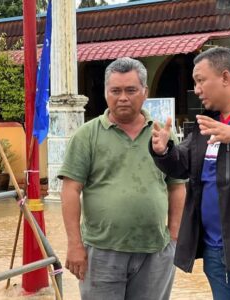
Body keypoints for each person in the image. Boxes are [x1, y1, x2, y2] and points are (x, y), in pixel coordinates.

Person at [150, 47, 230, 299]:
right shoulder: (206, 122)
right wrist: (164, 149)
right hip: (214, 250)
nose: (196, 89)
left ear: (225, 77)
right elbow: (181, 164)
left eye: (200, 80)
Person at [58, 57, 186, 299]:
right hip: (102, 251)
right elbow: (70, 190)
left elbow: (177, 186)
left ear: (145, 92)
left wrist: (175, 235)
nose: (123, 97)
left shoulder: (162, 135)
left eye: (131, 90)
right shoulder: (86, 136)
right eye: (115, 91)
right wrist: (75, 244)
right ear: (106, 93)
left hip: (156, 250)